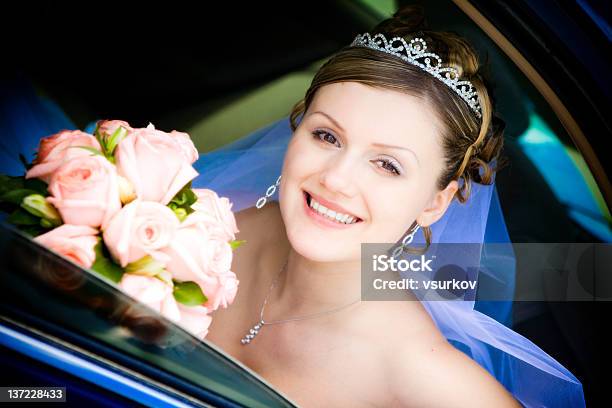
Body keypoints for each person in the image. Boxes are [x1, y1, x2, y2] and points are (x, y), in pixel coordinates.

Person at [194, 5, 585, 407]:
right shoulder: (206, 225)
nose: (336, 179)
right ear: (297, 129)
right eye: (327, 136)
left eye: (387, 165)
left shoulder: (423, 374)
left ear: (435, 202)